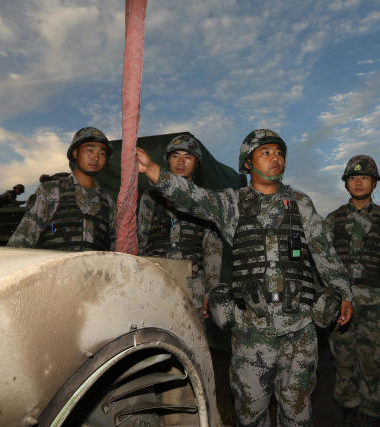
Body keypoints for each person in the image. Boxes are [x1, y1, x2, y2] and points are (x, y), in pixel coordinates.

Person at [136, 129, 352, 427]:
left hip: (299, 330)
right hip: (252, 332)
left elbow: (324, 251)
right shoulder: (231, 204)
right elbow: (192, 198)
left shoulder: (301, 203)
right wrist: (153, 170)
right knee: (251, 415)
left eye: (279, 153)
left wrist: (344, 293)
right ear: (247, 163)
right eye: (265, 153)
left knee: (298, 414)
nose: (275, 158)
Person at [324, 155, 380, 426]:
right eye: (353, 177)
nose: (358, 182)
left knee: (373, 369)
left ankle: (372, 416)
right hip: (341, 308)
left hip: (375, 308)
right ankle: (348, 414)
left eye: (364, 177)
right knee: (344, 367)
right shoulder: (332, 220)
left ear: (374, 182)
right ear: (346, 183)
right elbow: (323, 264)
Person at [137, 134, 222, 318]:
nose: (181, 162)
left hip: (193, 288)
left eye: (188, 157)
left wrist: (211, 293)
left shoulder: (206, 202)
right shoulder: (150, 197)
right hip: (155, 282)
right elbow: (140, 240)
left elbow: (212, 252)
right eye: (176, 156)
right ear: (168, 160)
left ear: (196, 163)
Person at [8, 127, 116, 251]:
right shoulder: (50, 191)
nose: (96, 157)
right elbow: (22, 239)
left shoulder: (108, 200)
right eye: (90, 150)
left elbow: (115, 245)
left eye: (102, 153)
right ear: (75, 153)